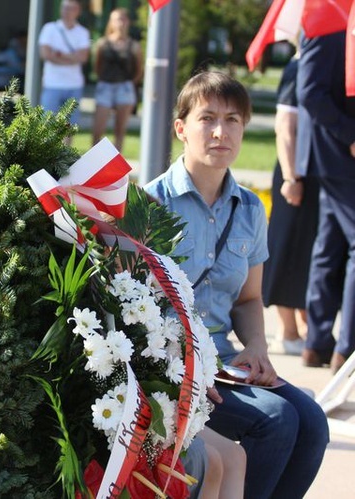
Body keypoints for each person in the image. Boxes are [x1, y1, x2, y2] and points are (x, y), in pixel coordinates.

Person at [144, 71, 329, 499]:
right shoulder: (150, 205)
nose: (219, 131)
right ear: (181, 129)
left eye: (232, 120)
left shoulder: (250, 208)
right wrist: (178, 366)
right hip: (171, 368)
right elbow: (131, 307)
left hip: (226, 363)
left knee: (313, 423)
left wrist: (258, 346)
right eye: (206, 118)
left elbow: (248, 298)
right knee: (276, 420)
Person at [298, 30, 355, 372]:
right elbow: (310, 93)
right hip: (338, 152)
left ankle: (318, 344)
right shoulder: (326, 20)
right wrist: (350, 135)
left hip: (336, 155)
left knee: (329, 246)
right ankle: (346, 350)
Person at [261, 53, 319, 356]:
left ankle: (307, 327)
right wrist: (290, 176)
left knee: (309, 252)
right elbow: (285, 126)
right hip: (294, 174)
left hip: (314, 173)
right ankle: (288, 331)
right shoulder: (298, 66)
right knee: (289, 250)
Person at [37, 0, 90, 144]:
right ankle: (47, 157)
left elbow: (83, 57)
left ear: (78, 11)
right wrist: (72, 58)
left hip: (74, 84)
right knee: (47, 123)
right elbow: (45, 54)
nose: (67, 11)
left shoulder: (82, 32)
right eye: (65, 8)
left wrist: (59, 54)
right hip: (52, 84)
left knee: (69, 126)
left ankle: (65, 158)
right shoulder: (50, 28)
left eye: (71, 8)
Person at [91, 8, 142, 151]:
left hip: (124, 87)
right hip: (106, 85)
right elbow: (97, 66)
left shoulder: (134, 46)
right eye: (116, 19)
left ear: (127, 22)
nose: (120, 23)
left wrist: (130, 84)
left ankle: (116, 163)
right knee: (98, 128)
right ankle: (93, 162)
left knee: (120, 130)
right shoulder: (103, 43)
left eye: (122, 19)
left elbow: (139, 70)